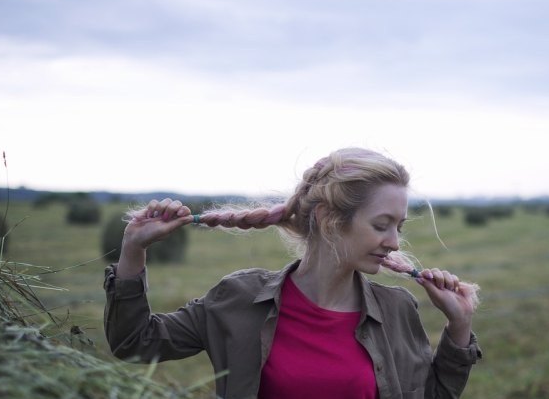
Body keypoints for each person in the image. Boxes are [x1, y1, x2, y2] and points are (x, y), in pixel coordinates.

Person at [104, 147, 482, 399]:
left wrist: (459, 327)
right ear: (329, 220)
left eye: (398, 226)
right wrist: (134, 248)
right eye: (382, 224)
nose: (395, 242)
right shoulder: (239, 299)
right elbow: (135, 343)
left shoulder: (398, 309)